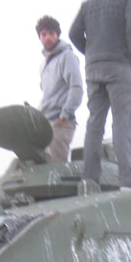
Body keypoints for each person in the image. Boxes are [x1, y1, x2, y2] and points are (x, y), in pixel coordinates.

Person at [69, 0, 131, 187]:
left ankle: (89, 179)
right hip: (120, 66)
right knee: (122, 121)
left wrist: (91, 53)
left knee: (94, 124)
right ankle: (127, 178)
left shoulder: (88, 3)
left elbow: (73, 33)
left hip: (94, 69)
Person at [35, 15, 83, 163]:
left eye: (51, 33)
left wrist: (64, 116)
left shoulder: (67, 57)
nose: (47, 37)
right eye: (44, 34)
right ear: (40, 37)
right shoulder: (43, 65)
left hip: (60, 122)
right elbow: (48, 94)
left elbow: (76, 88)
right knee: (41, 168)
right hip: (45, 123)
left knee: (55, 168)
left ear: (57, 35)